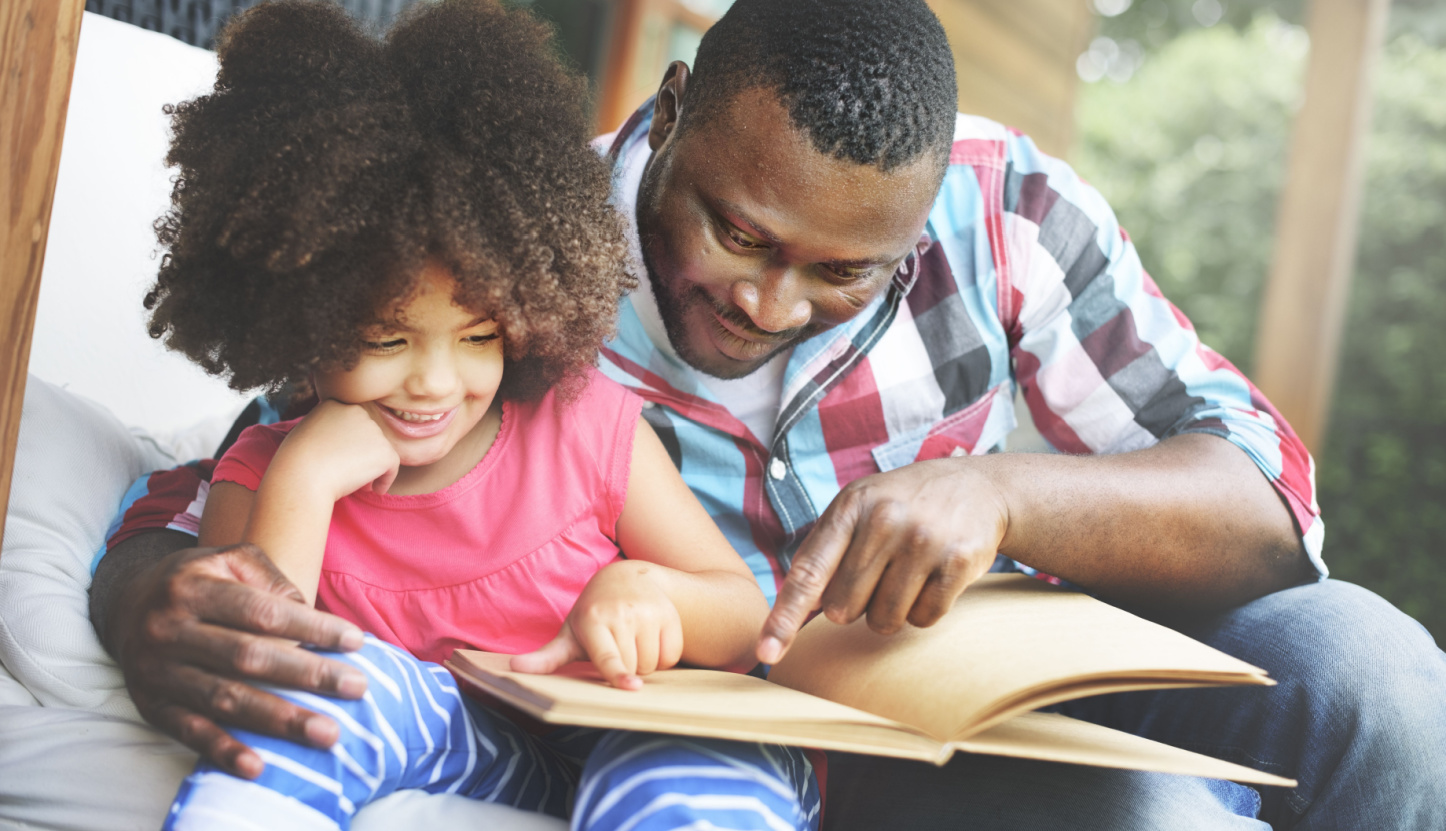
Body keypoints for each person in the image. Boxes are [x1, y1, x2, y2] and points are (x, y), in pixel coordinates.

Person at [91, 0, 1446, 828]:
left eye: (841, 270)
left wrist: (1001, 491)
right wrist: (149, 586)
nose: (762, 297)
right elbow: (251, 462)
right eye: (732, 228)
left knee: (1384, 681)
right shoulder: (500, 250)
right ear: (675, 110)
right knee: (1136, 814)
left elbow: (1265, 504)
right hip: (806, 735)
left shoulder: (1009, 210)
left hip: (1011, 656)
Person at [126, 2, 821, 829]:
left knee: (689, 781)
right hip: (486, 751)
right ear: (296, 317)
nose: (434, 381)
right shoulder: (266, 475)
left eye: (479, 334)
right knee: (341, 695)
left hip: (649, 724)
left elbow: (747, 621)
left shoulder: (583, 425)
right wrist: (306, 477)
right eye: (385, 337)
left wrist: (645, 593)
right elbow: (261, 678)